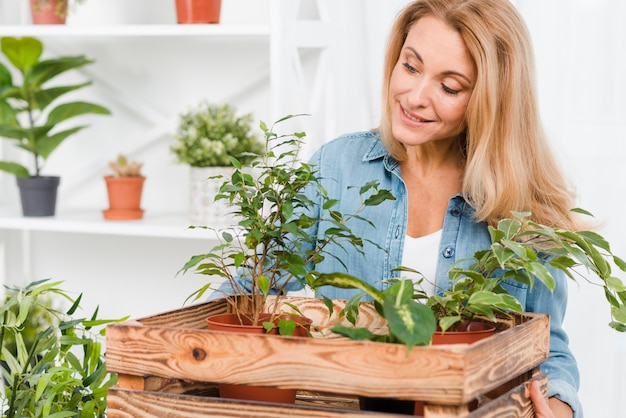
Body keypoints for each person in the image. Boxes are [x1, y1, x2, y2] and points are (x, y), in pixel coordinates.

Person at [226, 0, 582, 416]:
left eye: (449, 87)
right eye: (410, 67)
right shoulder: (336, 168)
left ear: (491, 101)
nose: (414, 98)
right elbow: (247, 294)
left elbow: (548, 344)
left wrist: (559, 406)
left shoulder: (526, 207)